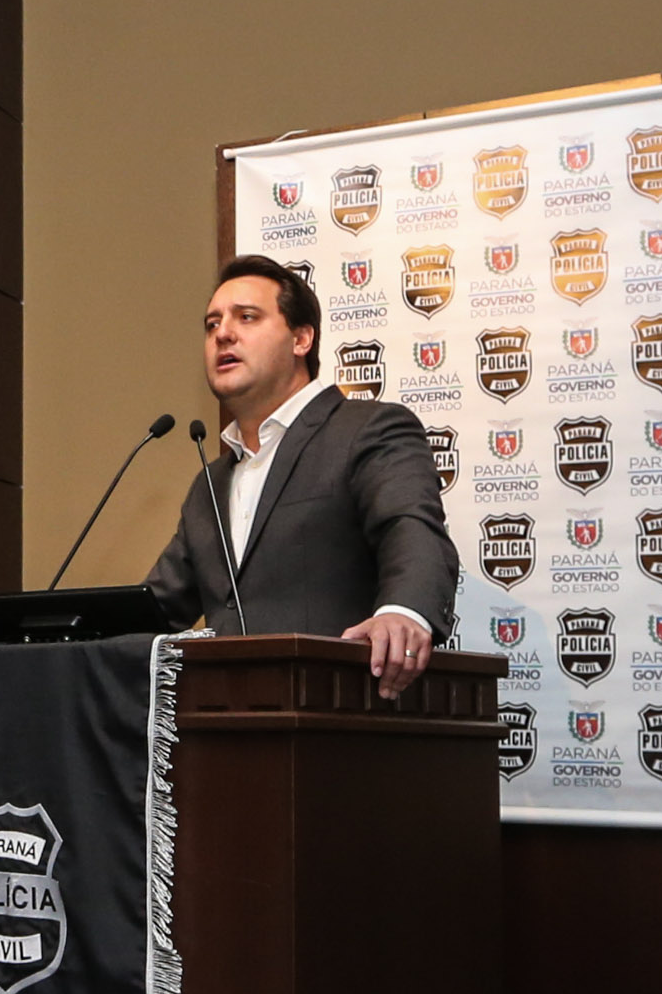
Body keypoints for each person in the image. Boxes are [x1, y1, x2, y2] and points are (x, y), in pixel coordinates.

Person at [144, 253, 459, 697]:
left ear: (301, 339)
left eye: (246, 317)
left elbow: (410, 530)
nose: (223, 334)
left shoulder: (366, 430)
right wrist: (64, 635)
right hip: (224, 727)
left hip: (339, 713)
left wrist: (404, 613)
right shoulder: (210, 483)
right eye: (212, 324)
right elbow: (156, 609)